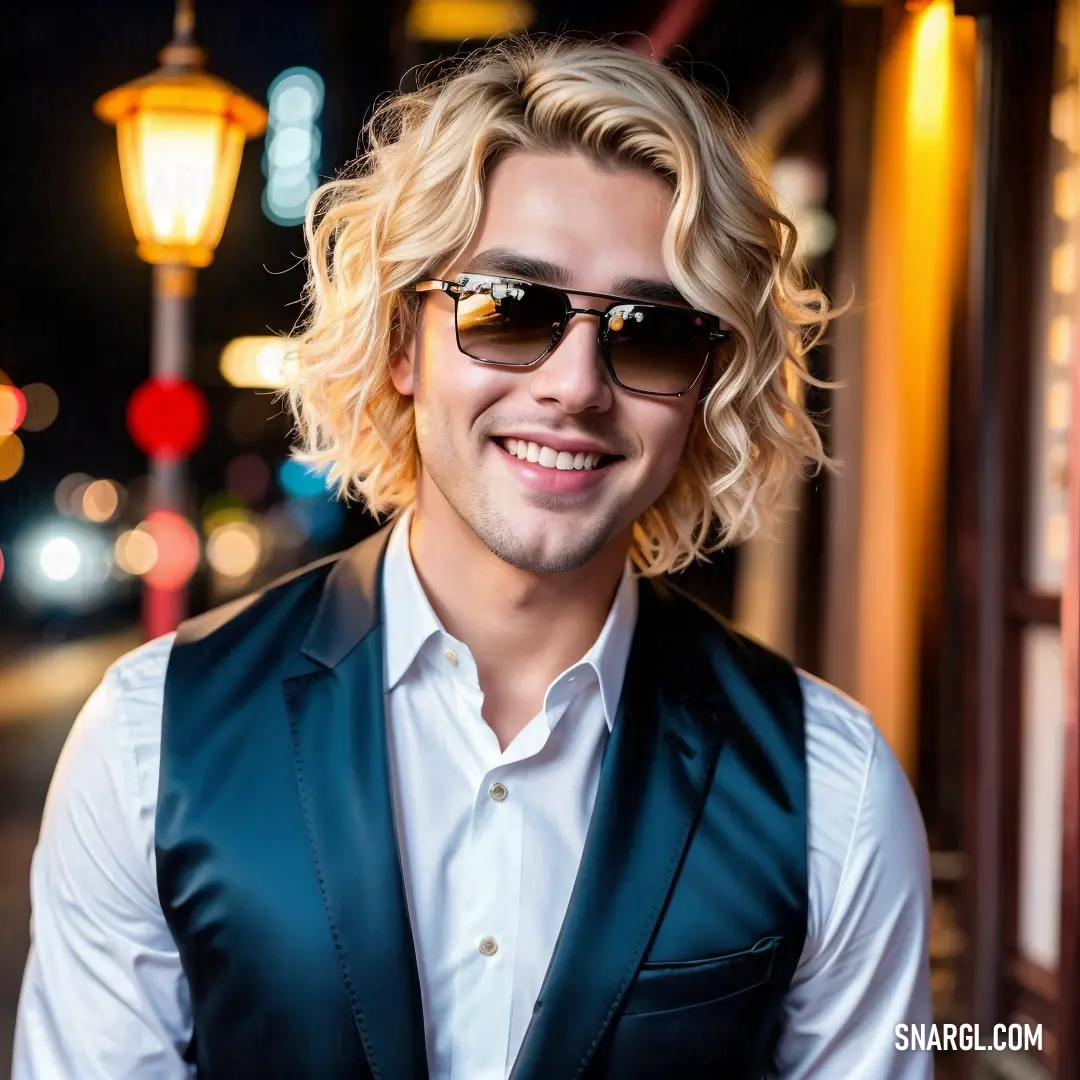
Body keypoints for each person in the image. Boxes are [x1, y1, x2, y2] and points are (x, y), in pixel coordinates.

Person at [12, 35, 932, 1080]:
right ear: (404, 343)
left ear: (705, 388)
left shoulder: (832, 789)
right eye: (510, 308)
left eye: (653, 331)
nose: (575, 385)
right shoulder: (149, 741)